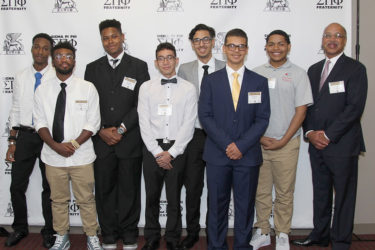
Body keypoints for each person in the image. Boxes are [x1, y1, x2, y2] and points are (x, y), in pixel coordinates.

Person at [291, 23, 367, 250]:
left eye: (338, 36)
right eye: (328, 36)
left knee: (344, 196)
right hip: (317, 145)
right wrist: (312, 133)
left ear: (344, 41)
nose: (332, 40)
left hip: (342, 145)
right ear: (322, 40)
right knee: (321, 193)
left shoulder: (355, 69)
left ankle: (342, 241)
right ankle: (320, 235)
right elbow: (306, 106)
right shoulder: (313, 70)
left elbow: (354, 108)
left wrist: (329, 135)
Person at [198, 28, 270, 250]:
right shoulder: (211, 80)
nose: (236, 50)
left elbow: (262, 118)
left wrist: (241, 146)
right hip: (218, 155)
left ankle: (241, 246)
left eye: (241, 46)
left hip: (247, 156)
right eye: (231, 45)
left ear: (246, 49)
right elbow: (205, 116)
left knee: (245, 207)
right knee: (217, 206)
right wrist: (228, 145)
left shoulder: (259, 81)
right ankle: (216, 246)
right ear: (224, 48)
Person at [84, 19, 150, 250]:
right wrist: (101, 129)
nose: (110, 41)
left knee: (130, 189)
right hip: (101, 141)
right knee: (104, 189)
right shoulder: (92, 68)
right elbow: (88, 106)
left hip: (129, 139)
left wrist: (121, 129)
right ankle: (109, 234)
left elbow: (142, 103)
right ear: (101, 40)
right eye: (105, 37)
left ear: (122, 37)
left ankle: (130, 233)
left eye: (114, 36)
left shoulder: (138, 66)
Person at [33, 41, 103, 250]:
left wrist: (72, 145)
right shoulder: (42, 90)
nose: (64, 60)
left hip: (81, 156)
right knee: (58, 201)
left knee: (87, 200)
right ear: (53, 61)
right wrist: (56, 146)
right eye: (59, 56)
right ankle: (61, 236)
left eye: (68, 56)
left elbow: (93, 123)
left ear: (74, 60)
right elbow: (39, 123)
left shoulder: (87, 88)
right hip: (53, 157)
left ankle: (91, 236)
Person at [250, 30, 313, 250]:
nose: (276, 48)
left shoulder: (298, 74)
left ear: (288, 46)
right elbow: (249, 112)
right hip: (259, 143)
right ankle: (263, 231)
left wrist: (283, 140)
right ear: (266, 47)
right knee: (261, 190)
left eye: (281, 44)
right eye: (272, 44)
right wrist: (258, 137)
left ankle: (283, 232)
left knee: (285, 192)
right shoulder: (256, 74)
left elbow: (301, 111)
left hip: (287, 143)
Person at [138, 42, 197, 250]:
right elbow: (143, 122)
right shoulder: (146, 88)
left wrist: (171, 153)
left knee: (174, 198)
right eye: (161, 58)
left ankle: (172, 238)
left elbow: (188, 124)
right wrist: (157, 152)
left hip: (177, 149)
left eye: (169, 57)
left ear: (176, 60)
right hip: (151, 148)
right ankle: (152, 238)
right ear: (156, 62)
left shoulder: (189, 89)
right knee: (151, 196)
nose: (166, 62)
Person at [177, 24, 225, 249]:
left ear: (214, 41)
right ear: (192, 44)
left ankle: (216, 232)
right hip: (194, 136)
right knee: (193, 187)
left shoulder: (227, 67)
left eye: (206, 39)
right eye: (197, 40)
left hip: (220, 136)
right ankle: (193, 232)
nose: (202, 44)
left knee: (218, 188)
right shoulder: (184, 70)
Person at [5, 33, 55, 248]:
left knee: (50, 187)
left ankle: (49, 230)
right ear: (32, 49)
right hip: (25, 136)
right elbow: (16, 108)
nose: (40, 51)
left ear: (50, 53)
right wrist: (12, 142)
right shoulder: (21, 76)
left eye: (45, 48)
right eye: (37, 47)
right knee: (16, 185)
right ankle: (20, 228)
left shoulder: (57, 76)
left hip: (49, 138)